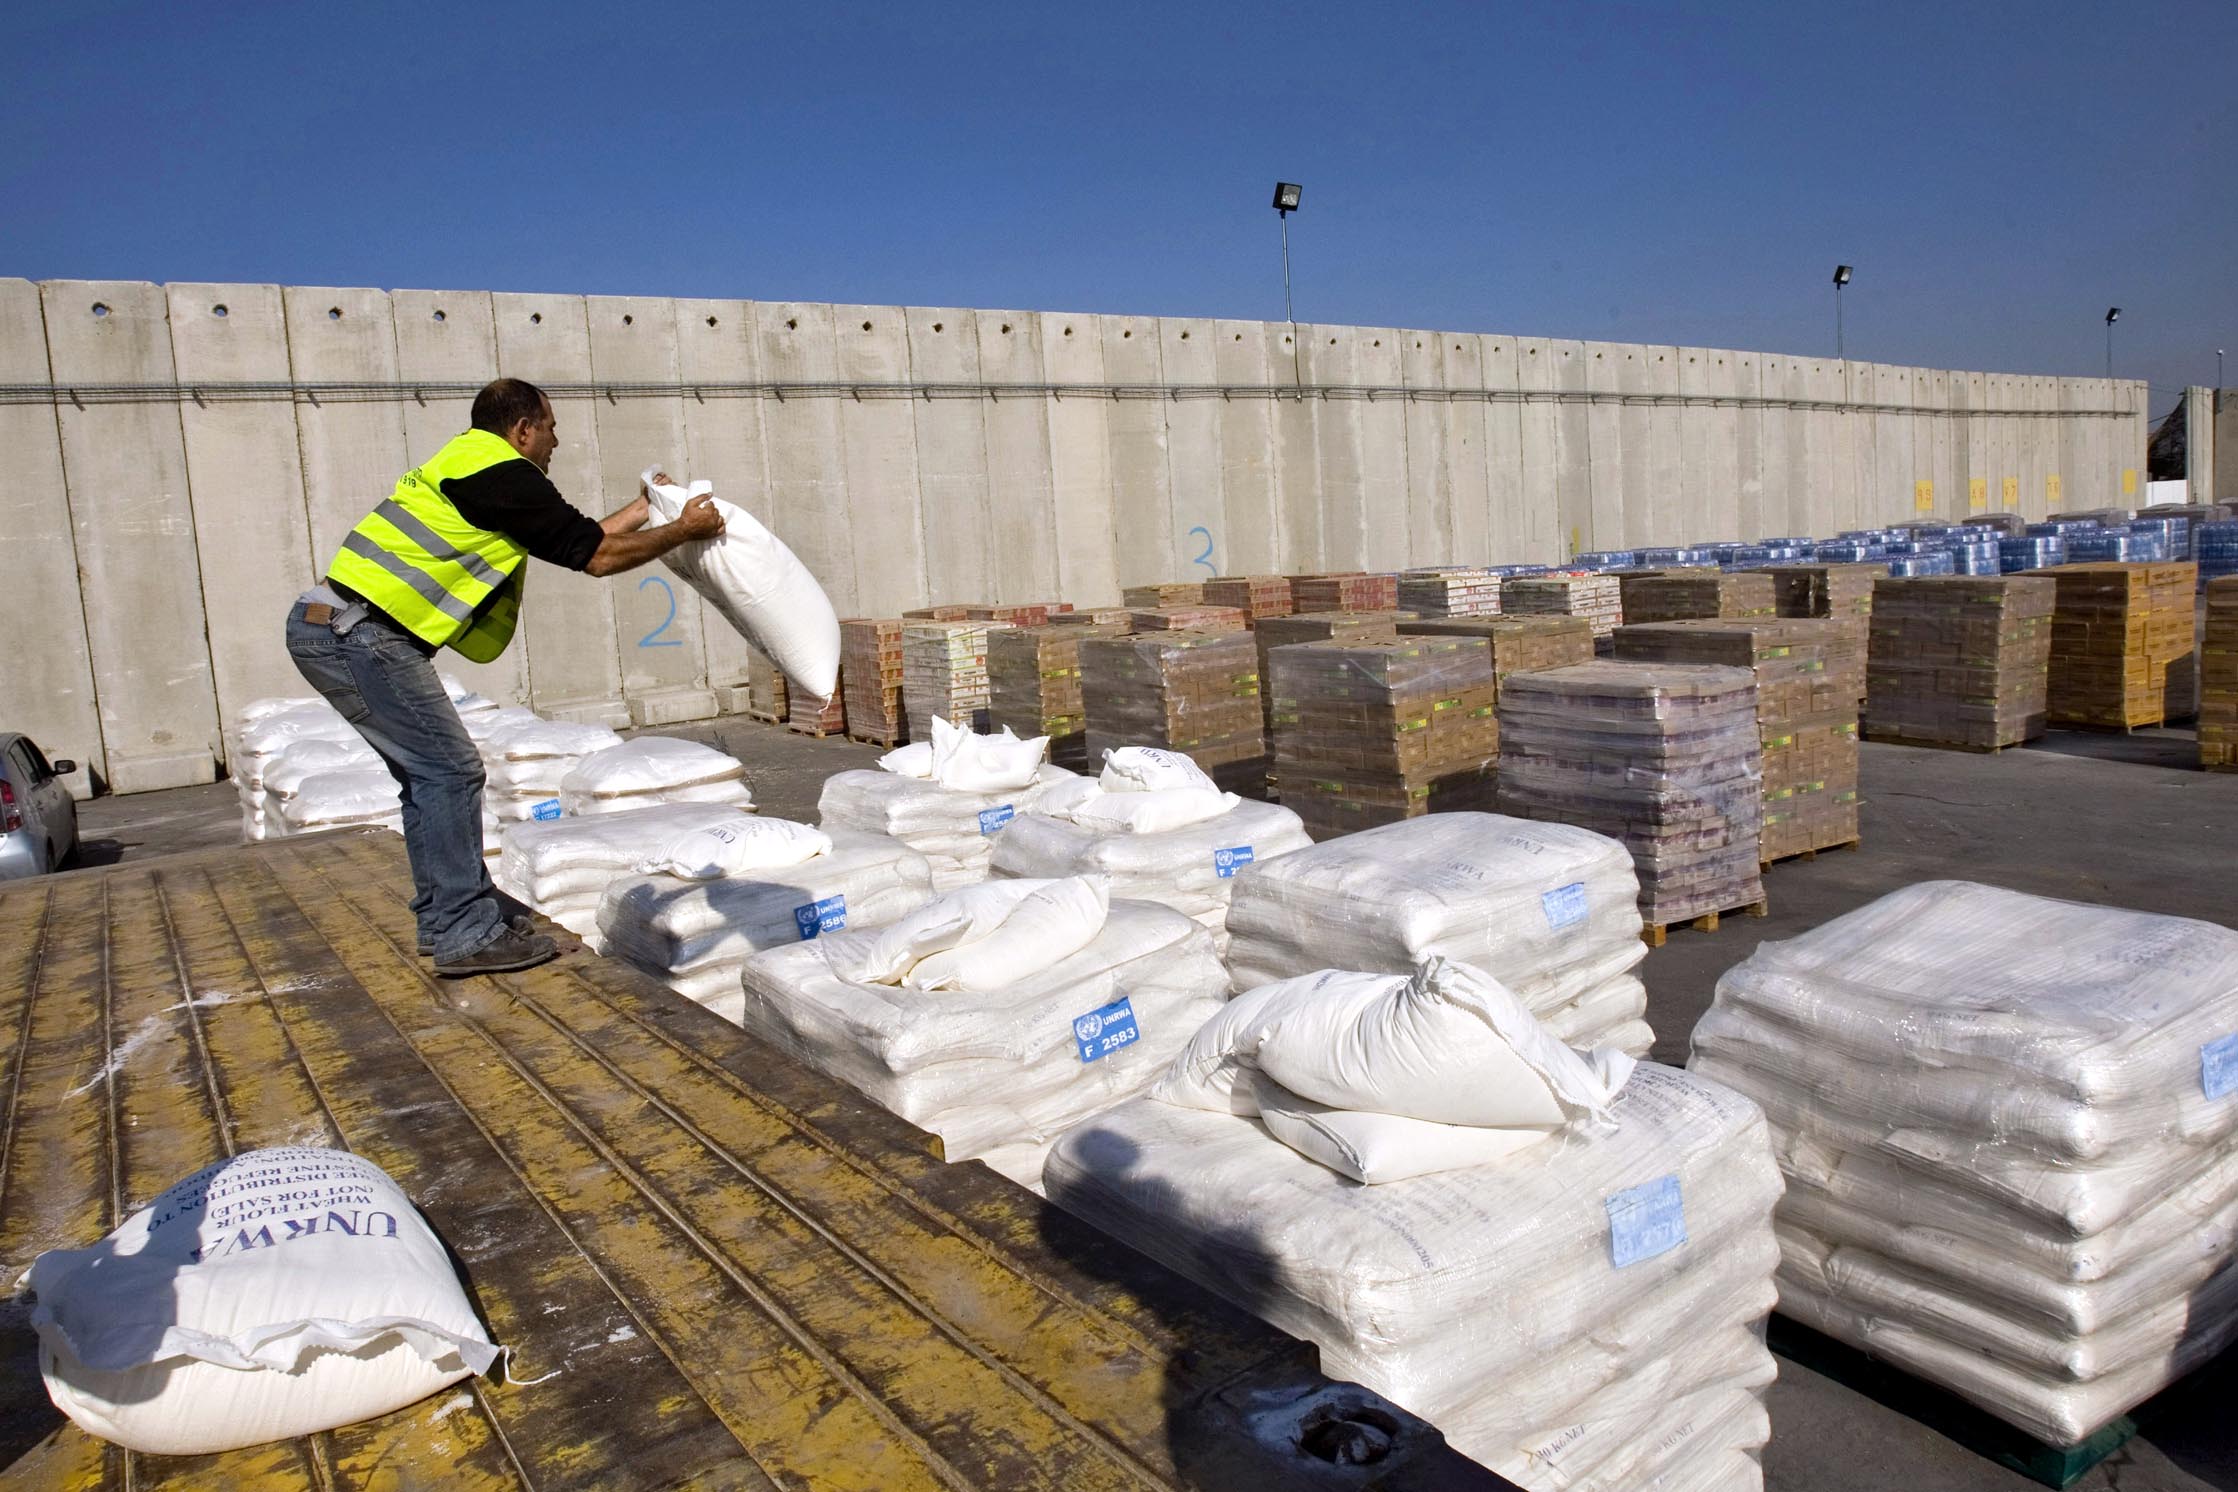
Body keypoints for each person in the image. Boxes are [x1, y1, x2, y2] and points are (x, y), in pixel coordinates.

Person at [284, 377, 724, 976]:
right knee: (449, 769)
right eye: (550, 428)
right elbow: (597, 559)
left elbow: (580, 540)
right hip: (358, 634)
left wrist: (648, 509)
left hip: (341, 626)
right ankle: (465, 932)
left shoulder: (476, 466)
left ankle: (445, 919)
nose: (555, 441)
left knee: (427, 775)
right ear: (522, 430)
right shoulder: (502, 474)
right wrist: (685, 530)